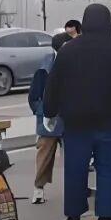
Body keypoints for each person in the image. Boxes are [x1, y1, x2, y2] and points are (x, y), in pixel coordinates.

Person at [43, 4, 111, 220]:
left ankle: (73, 216)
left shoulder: (68, 51)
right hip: (109, 121)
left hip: (75, 123)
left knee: (75, 168)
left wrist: (49, 112)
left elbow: (53, 85)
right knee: (107, 169)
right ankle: (105, 217)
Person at [27, 31, 67, 204]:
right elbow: (34, 94)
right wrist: (39, 110)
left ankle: (75, 189)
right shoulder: (45, 67)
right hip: (49, 118)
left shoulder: (76, 61)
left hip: (69, 116)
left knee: (73, 156)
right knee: (44, 155)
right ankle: (38, 188)